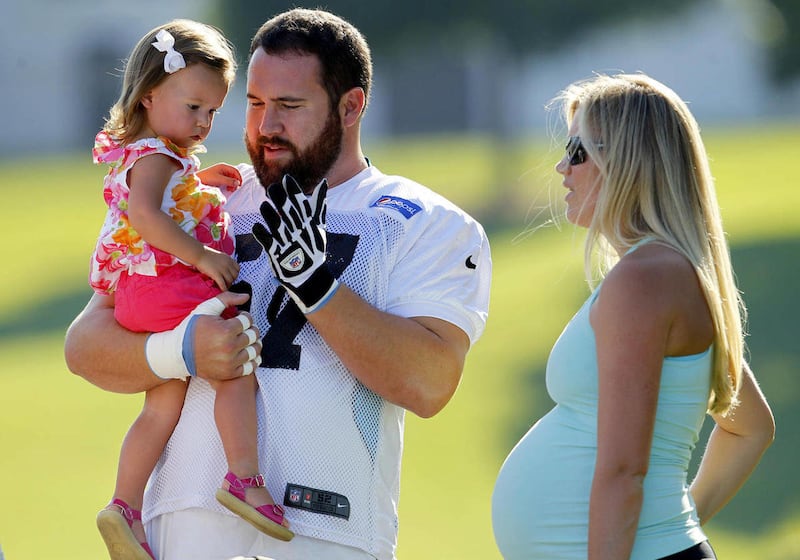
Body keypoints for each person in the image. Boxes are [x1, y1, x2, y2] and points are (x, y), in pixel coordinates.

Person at [65, 8, 491, 560]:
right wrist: (181, 350)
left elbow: (430, 384)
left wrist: (319, 290)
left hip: (326, 528)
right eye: (255, 104)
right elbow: (84, 348)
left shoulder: (421, 220)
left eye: (289, 106)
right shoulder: (202, 197)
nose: (265, 126)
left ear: (351, 106)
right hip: (185, 524)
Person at [491, 73, 775, 559]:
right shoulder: (661, 272)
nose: (562, 167)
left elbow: (624, 470)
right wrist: (675, 524)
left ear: (625, 160)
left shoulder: (646, 279)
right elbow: (751, 426)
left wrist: (668, 528)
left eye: (577, 150)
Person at [86, 19, 293, 560]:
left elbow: (162, 195)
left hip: (140, 291)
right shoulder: (155, 156)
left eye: (213, 112)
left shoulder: (158, 154)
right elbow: (145, 213)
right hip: (167, 285)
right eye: (194, 106)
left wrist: (201, 183)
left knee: (162, 405)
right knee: (235, 359)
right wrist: (202, 255)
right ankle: (243, 478)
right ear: (150, 96)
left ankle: (125, 508)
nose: (203, 122)